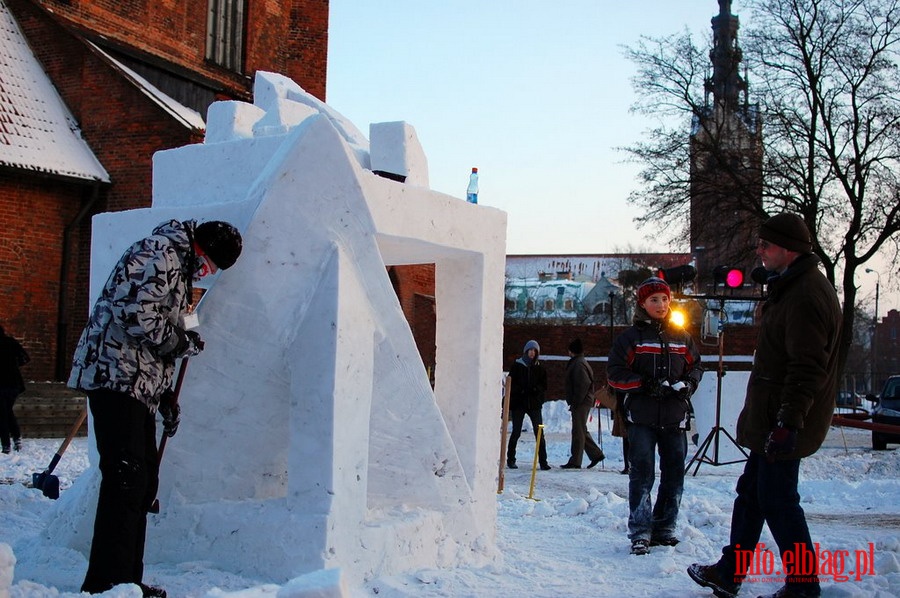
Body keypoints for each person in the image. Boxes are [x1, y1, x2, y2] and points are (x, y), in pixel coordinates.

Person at [68, 219, 242, 597]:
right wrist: (180, 343)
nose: (207, 273)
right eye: (210, 265)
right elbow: (135, 315)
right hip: (114, 378)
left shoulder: (177, 268)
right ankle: (106, 583)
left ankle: (126, 581)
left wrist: (164, 396)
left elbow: (156, 336)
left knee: (142, 482)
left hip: (136, 385)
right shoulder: (158, 254)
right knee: (125, 480)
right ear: (201, 248)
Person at [688, 213, 841, 598]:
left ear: (788, 250)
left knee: (778, 500)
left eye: (766, 245)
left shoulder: (806, 295)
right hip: (774, 415)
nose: (759, 250)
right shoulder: (792, 287)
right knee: (753, 493)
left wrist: (788, 423)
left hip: (784, 419)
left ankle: (804, 584)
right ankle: (729, 571)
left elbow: (807, 368)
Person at [608, 277, 703, 555]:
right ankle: (640, 531)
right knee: (642, 475)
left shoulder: (682, 337)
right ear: (642, 304)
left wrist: (689, 384)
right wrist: (643, 384)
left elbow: (696, 366)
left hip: (675, 417)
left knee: (674, 474)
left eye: (664, 299)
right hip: (642, 418)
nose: (660, 305)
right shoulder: (630, 338)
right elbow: (614, 373)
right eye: (653, 300)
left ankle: (664, 527)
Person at [507, 339, 551, 471]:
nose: (532, 353)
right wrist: (520, 391)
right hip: (519, 404)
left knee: (539, 432)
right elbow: (511, 383)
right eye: (530, 350)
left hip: (534, 405)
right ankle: (511, 459)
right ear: (526, 351)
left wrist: (536, 392)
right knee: (516, 431)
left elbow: (544, 386)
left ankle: (543, 461)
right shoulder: (517, 365)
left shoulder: (540, 368)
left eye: (534, 351)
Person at [561, 338, 604, 469]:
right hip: (583, 401)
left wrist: (576, 401)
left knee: (578, 431)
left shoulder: (578, 364)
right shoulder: (579, 362)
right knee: (581, 430)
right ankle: (596, 454)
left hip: (581, 402)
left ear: (572, 351)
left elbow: (583, 384)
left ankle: (575, 461)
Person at [0, 325, 30, 454]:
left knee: (2, 414)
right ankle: (16, 438)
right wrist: (12, 365)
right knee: (6, 411)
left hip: (2, 383)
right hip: (14, 383)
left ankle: (6, 444)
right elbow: (25, 358)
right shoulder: (11, 342)